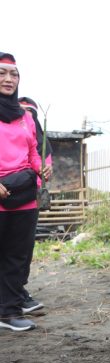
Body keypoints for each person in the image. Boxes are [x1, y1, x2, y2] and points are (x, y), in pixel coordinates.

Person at [0, 52, 51, 331]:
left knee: (17, 256)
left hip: (23, 195)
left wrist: (42, 168)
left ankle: (8, 313)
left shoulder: (25, 116)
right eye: (2, 73)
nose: (9, 79)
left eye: (14, 74)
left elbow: (32, 150)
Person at [17, 96, 53, 314]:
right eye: (22, 112)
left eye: (31, 114)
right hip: (6, 192)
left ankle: (18, 290)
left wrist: (44, 174)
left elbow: (44, 169)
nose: (26, 117)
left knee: (23, 247)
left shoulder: (42, 143)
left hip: (28, 197)